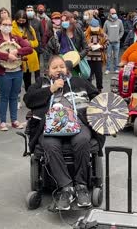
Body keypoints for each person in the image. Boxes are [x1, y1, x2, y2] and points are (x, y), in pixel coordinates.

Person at [23, 55, 100, 210]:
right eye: (55, 67)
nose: (59, 69)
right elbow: (28, 99)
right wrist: (51, 89)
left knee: (82, 140)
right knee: (50, 145)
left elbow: (97, 96)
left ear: (67, 69)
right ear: (48, 71)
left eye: (62, 66)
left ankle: (81, 186)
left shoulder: (79, 81)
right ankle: (66, 188)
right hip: (51, 126)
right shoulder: (41, 83)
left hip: (77, 123)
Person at [0, 16, 33, 130]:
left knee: (14, 96)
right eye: (5, 24)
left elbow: (29, 48)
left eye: (9, 25)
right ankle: (2, 122)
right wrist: (7, 56)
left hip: (17, 71)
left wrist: (17, 51)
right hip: (3, 73)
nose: (7, 27)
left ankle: (14, 120)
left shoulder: (16, 38)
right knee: (4, 97)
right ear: (0, 25)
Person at [12, 10, 40, 91]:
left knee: (28, 80)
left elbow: (36, 43)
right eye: (19, 20)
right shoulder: (11, 27)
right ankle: (17, 99)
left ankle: (29, 96)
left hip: (30, 56)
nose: (21, 22)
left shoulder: (30, 28)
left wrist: (29, 43)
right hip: (17, 57)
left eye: (23, 20)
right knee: (17, 80)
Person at [85, 18, 108, 92]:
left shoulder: (103, 34)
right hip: (88, 58)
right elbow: (82, 45)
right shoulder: (85, 34)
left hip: (99, 58)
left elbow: (107, 44)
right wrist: (88, 45)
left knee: (99, 75)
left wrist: (102, 46)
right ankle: (89, 89)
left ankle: (99, 89)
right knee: (88, 75)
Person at [104, 8, 124, 75]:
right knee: (108, 56)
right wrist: (107, 38)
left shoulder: (119, 21)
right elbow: (103, 32)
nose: (114, 14)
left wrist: (119, 37)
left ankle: (116, 69)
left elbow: (122, 31)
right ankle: (107, 69)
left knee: (116, 56)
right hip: (109, 42)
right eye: (112, 13)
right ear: (110, 13)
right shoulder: (106, 22)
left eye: (115, 13)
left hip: (116, 42)